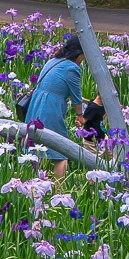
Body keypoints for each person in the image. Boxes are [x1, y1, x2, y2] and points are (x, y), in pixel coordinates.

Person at [25, 35, 86, 178]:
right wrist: (79, 116)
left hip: (36, 104)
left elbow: (55, 84)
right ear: (79, 53)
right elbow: (76, 96)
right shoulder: (72, 68)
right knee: (61, 150)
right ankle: (59, 190)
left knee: (38, 146)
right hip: (50, 107)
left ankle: (35, 183)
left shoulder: (53, 61)